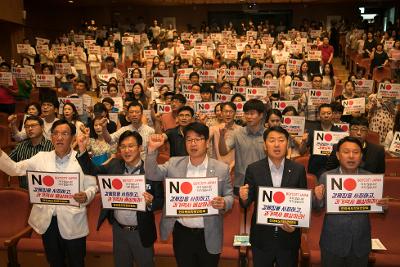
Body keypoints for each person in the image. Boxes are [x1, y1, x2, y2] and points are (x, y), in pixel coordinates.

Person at [0, 119, 98, 267]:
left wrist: (86, 195)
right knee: (54, 262)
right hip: (48, 222)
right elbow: (14, 169)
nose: (59, 137)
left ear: (72, 138)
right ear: (51, 137)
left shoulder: (82, 159)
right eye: (56, 134)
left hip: (73, 222)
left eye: (64, 134)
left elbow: (93, 187)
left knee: (76, 262)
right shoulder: (41, 157)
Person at [145, 122, 234, 267]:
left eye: (198, 139)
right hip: (182, 233)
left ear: (206, 143)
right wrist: (152, 150)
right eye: (189, 139)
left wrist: (224, 202)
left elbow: (229, 196)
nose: (193, 143)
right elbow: (151, 173)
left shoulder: (221, 168)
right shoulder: (174, 163)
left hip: (209, 232)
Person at [76, 130, 164, 267]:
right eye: (123, 147)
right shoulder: (115, 165)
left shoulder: (151, 169)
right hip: (119, 230)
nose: (126, 150)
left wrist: (151, 202)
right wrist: (82, 148)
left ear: (140, 148)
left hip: (141, 231)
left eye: (131, 146)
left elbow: (160, 201)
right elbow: (92, 170)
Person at [239, 126, 307, 267]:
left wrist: (294, 226)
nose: (276, 144)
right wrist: (243, 196)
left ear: (287, 144)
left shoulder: (298, 169)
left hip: (289, 238)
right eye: (272, 140)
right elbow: (245, 203)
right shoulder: (253, 169)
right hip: (262, 238)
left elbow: (302, 206)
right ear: (265, 145)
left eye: (281, 140)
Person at [314, 136, 387, 267]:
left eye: (356, 152)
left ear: (361, 155)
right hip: (332, 242)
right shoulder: (327, 177)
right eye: (346, 152)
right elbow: (317, 209)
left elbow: (380, 209)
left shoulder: (370, 179)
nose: (351, 156)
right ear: (337, 155)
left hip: (360, 243)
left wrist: (383, 206)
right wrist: (318, 198)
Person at [219, 99, 266, 195]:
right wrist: (221, 137)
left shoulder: (268, 135)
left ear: (261, 115)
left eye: (252, 114)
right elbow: (223, 152)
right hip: (241, 182)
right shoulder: (237, 133)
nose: (249, 117)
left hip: (263, 181)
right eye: (246, 113)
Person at [8, 115, 53, 189]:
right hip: (24, 190)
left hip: (46, 190)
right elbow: (9, 163)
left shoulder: (52, 146)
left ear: (42, 127)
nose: (30, 129)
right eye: (27, 126)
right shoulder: (21, 146)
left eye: (33, 125)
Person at [299, 103, 343, 178]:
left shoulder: (340, 132)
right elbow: (301, 152)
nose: (326, 115)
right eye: (323, 113)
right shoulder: (312, 131)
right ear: (319, 115)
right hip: (316, 168)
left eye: (329, 113)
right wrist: (303, 141)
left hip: (335, 168)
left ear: (332, 114)